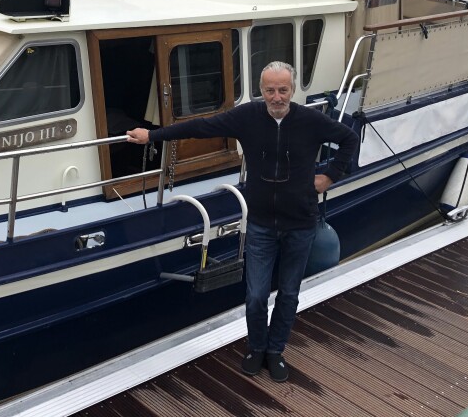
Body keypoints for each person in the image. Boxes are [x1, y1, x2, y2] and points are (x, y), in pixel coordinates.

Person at [126, 61, 359, 382]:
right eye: (270, 90)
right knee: (256, 295)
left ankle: (275, 351)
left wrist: (329, 176)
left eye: (283, 90)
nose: (277, 97)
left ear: (292, 90)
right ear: (261, 91)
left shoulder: (310, 120)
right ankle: (256, 348)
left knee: (289, 294)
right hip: (261, 224)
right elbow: (201, 126)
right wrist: (153, 135)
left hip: (301, 224)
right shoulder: (247, 117)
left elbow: (350, 138)